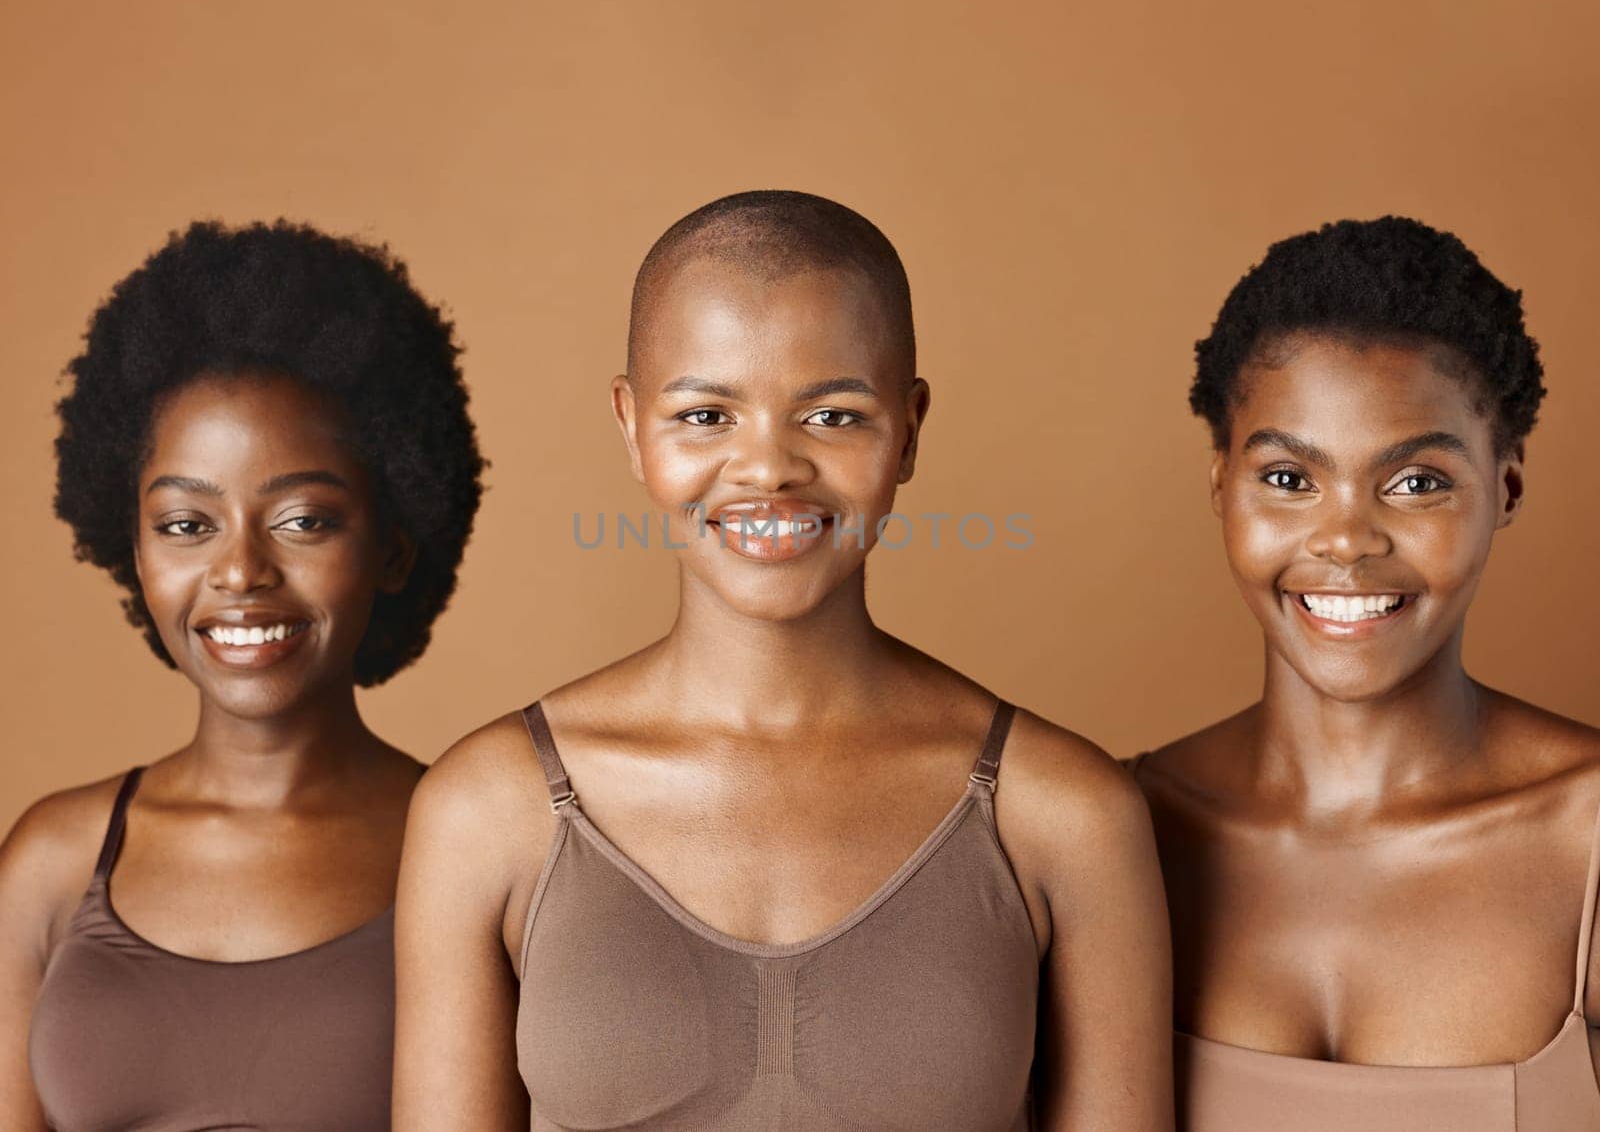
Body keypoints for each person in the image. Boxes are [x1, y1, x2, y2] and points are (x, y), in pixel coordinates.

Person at [394, 190, 1173, 1131]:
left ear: (911, 428)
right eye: (706, 415)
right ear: (631, 426)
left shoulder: (1064, 815)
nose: (768, 469)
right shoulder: (486, 810)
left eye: (834, 416)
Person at [0, 220, 484, 1131]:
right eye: (188, 525)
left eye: (303, 520)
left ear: (391, 546)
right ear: (130, 548)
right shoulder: (52, 862)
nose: (239, 571)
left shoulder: (464, 845)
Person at [1130, 216, 1600, 1131]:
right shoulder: (1119, 831)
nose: (1345, 539)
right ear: (1222, 485)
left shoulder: (1590, 844)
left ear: (1504, 488)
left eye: (1417, 481)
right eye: (1289, 478)